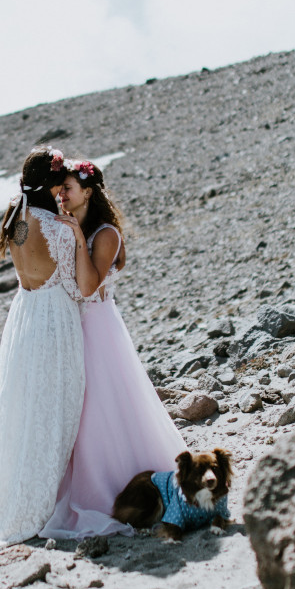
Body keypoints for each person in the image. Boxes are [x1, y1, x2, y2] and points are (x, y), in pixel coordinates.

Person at [40, 157, 186, 539]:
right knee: (80, 410)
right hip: (76, 330)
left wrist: (74, 237)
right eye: (60, 189)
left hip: (99, 330)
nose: (62, 195)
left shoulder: (105, 234)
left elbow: (88, 287)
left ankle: (112, 491)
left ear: (87, 192)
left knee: (98, 411)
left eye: (68, 188)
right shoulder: (76, 226)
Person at [0, 147, 100, 546]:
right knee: (53, 409)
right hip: (53, 320)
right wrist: (81, 241)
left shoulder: (15, 214)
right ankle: (40, 506)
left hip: (23, 315)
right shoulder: (59, 229)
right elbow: (78, 289)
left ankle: (9, 497)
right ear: (50, 185)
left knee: (21, 408)